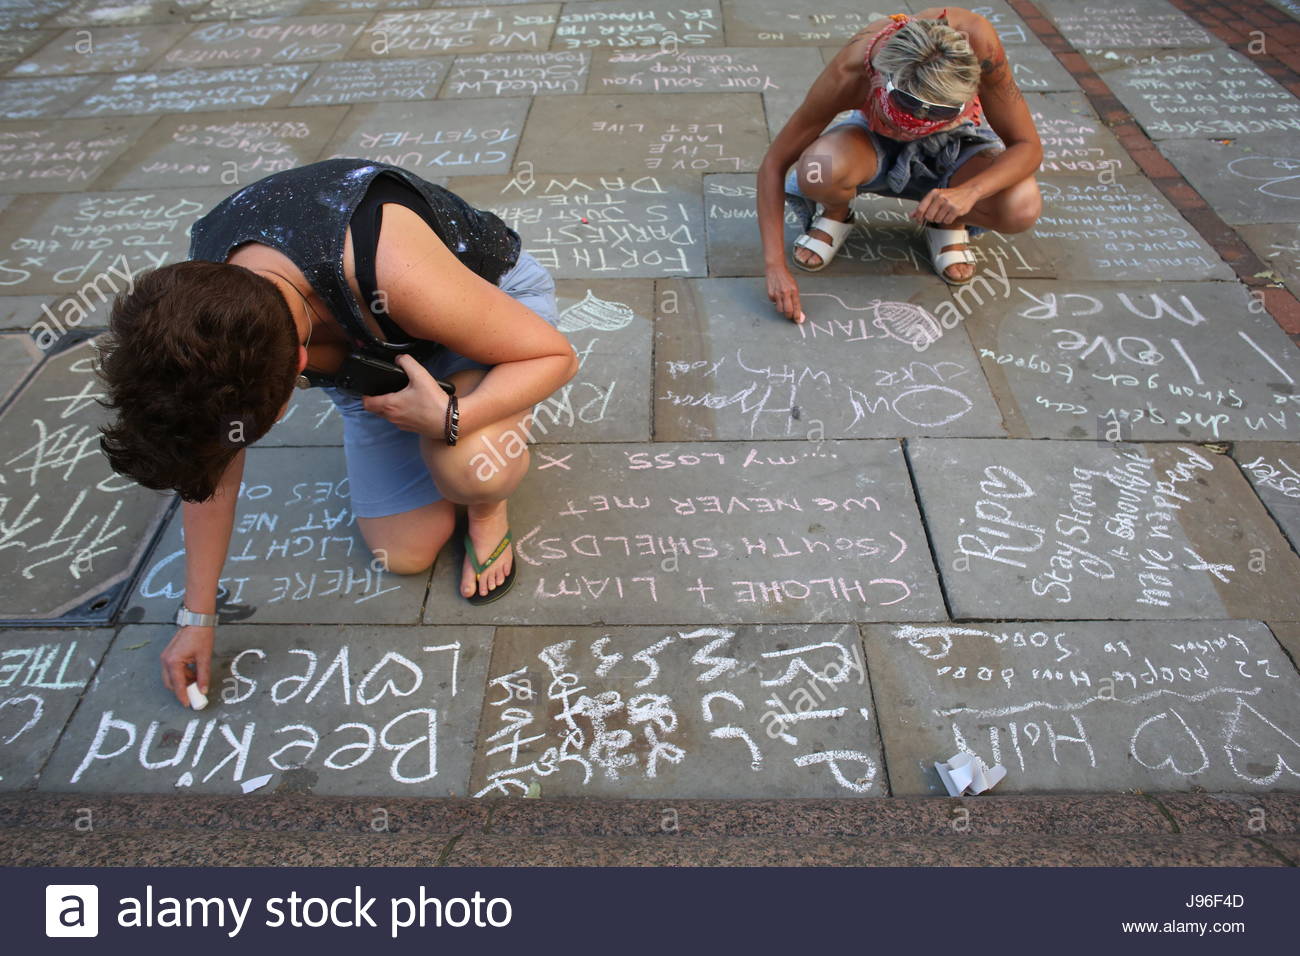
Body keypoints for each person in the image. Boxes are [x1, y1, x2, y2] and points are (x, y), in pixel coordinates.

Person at [96, 158, 578, 707]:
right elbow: (211, 466)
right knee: (404, 553)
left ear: (300, 362)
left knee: (471, 467)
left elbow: (554, 355)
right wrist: (196, 616)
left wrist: (451, 416)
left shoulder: (394, 274)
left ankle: (486, 505)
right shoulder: (204, 315)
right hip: (372, 368)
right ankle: (424, 423)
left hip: (481, 323)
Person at [757, 7, 1043, 321]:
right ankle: (836, 213)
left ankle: (947, 220)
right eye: (907, 105)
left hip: (955, 144)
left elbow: (1027, 146)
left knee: (1021, 206)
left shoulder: (980, 46)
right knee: (817, 169)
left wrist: (970, 192)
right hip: (874, 142)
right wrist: (774, 267)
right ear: (883, 77)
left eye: (938, 111)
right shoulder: (851, 72)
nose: (921, 120)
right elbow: (775, 163)